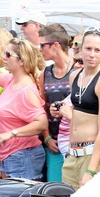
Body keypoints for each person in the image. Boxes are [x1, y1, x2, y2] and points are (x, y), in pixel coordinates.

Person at [0, 38, 47, 180]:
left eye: (8, 55)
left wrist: (12, 133)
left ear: (22, 61)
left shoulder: (26, 89)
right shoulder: (12, 80)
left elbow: (41, 123)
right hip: (14, 156)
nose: (4, 57)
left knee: (20, 195)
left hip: (23, 156)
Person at [61, 28, 100, 187]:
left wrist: (91, 170)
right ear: (80, 49)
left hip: (93, 156)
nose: (92, 54)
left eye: (97, 50)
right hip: (73, 154)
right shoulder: (74, 76)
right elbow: (76, 115)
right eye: (88, 48)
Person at [38, 23, 73, 182]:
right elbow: (42, 108)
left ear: (56, 45)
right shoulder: (45, 73)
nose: (40, 49)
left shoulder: (78, 69)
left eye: (42, 45)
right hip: (55, 145)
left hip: (77, 142)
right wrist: (47, 138)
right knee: (55, 189)